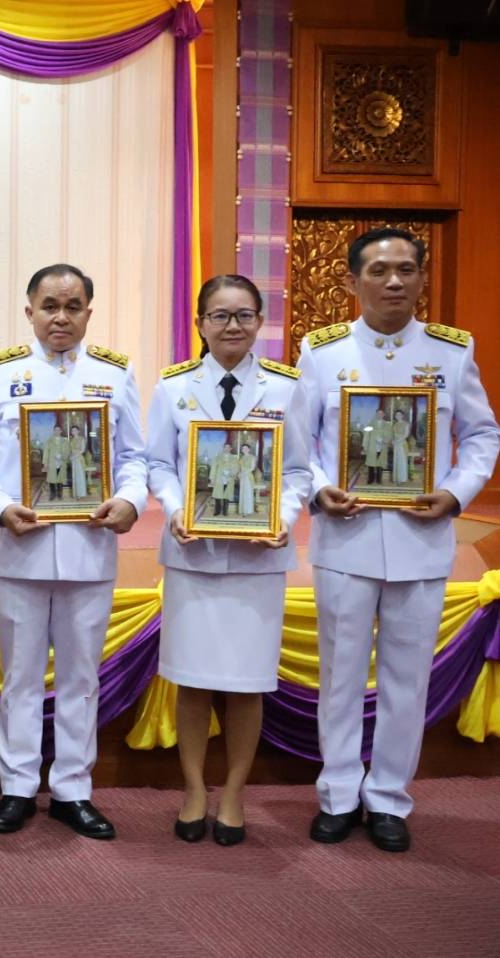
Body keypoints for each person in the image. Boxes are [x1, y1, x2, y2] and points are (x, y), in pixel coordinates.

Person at [298, 228, 498, 852]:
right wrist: (320, 489)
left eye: (406, 270)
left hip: (421, 540)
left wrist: (456, 494)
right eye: (379, 271)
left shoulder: (451, 352)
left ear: (422, 278)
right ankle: (337, 794)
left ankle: (387, 798)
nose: (394, 282)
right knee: (341, 675)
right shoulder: (322, 352)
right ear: (351, 281)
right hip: (345, 538)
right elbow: (299, 443)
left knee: (407, 680)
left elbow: (483, 435)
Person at [0, 263, 147, 840]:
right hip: (21, 547)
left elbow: (134, 457)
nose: (61, 317)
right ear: (30, 312)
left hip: (90, 547)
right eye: (49, 306)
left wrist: (129, 500)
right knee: (20, 677)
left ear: (89, 312)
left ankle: (72, 789)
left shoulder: (114, 374)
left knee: (80, 678)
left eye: (72, 307)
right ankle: (17, 786)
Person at [148, 274, 312, 846]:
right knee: (192, 682)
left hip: (257, 561)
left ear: (260, 321)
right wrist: (175, 509)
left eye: (243, 315)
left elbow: (298, 470)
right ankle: (194, 790)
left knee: (247, 684)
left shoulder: (287, 388)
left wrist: (281, 517)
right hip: (192, 556)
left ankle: (235, 793)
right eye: (219, 315)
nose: (232, 326)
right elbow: (159, 464)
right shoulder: (173, 386)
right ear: (200, 323)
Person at [363, 409, 390, 485]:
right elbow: (366, 435)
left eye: (381, 413)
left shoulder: (387, 424)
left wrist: (383, 439)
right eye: (378, 413)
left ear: (384, 415)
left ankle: (379, 479)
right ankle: (370, 479)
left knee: (380, 463)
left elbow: (389, 434)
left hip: (382, 445)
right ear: (376, 414)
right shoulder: (371, 423)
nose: (380, 415)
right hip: (372, 446)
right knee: (371, 463)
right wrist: (365, 445)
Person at [211, 443, 238, 518]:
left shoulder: (234, 458)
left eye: (228, 447)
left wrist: (230, 473)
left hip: (229, 479)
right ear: (223, 448)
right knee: (218, 495)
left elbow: (236, 468)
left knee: (227, 495)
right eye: (225, 447)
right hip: (219, 478)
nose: (227, 449)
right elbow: (213, 468)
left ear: (231, 449)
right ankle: (217, 511)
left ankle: (225, 511)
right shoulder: (218, 457)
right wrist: (212, 478)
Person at [44, 425, 69, 501]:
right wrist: (45, 463)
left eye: (58, 430)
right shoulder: (49, 441)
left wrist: (62, 456)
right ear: (53, 431)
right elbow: (46, 452)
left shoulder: (65, 441)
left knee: (60, 479)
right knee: (51, 479)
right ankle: (52, 494)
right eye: (55, 430)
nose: (57, 431)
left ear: (61, 431)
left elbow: (68, 451)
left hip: (61, 462)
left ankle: (60, 494)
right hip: (52, 463)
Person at [390, 407, 414, 486]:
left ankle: (402, 479)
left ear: (402, 415)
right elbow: (393, 435)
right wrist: (393, 441)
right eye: (396, 415)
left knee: (402, 461)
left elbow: (406, 435)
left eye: (399, 415)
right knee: (396, 461)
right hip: (396, 444)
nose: (398, 416)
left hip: (402, 444)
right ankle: (396, 478)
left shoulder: (406, 424)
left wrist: (397, 441)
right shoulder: (395, 425)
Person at [69, 424, 90, 500]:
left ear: (78, 431)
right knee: (74, 476)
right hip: (73, 459)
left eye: (75, 430)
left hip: (79, 459)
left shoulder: (82, 439)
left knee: (80, 476)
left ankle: (81, 493)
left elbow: (82, 450)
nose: (74, 432)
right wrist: (71, 456)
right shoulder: (71, 440)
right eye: (72, 430)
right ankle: (75, 493)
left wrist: (75, 456)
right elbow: (71, 450)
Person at [237, 441, 259, 517]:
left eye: (246, 448)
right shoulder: (241, 458)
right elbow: (239, 468)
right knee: (242, 493)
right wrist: (239, 474)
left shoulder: (252, 457)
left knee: (248, 493)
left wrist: (243, 473)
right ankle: (242, 510)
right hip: (242, 477)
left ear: (249, 449)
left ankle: (248, 511)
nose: (244, 449)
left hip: (248, 476)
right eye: (243, 448)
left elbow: (252, 468)